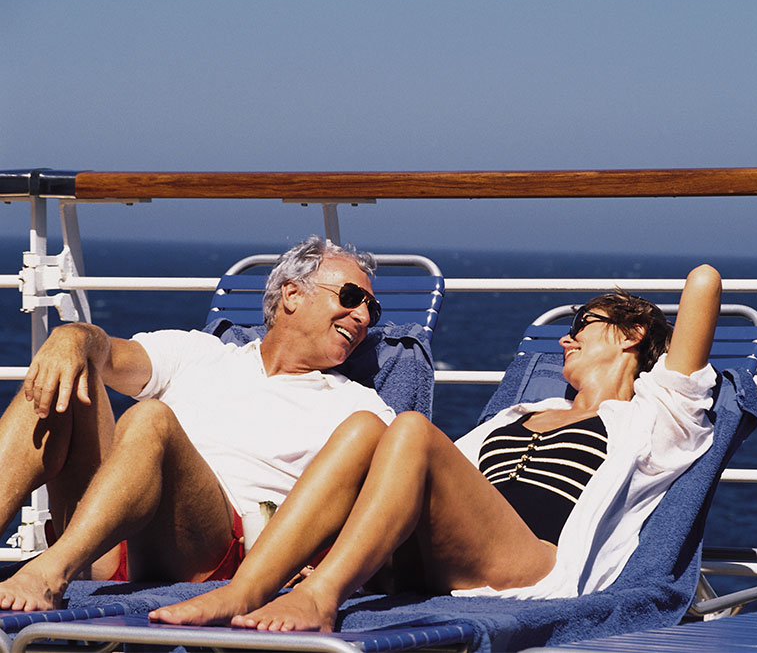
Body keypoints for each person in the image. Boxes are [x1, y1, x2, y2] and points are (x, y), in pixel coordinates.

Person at [150, 264, 722, 632]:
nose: (568, 335)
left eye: (586, 322)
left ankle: (322, 598)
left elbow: (703, 282)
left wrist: (636, 311)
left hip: (530, 565)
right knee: (363, 428)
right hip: (439, 556)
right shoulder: (516, 414)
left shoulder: (655, 417)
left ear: (632, 336)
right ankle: (248, 589)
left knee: (412, 432)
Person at [0, 235, 395, 611]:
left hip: (207, 555)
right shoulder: (201, 354)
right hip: (102, 542)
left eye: (371, 310)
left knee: (152, 419)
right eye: (351, 297)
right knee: (64, 377)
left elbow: (387, 504)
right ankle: (60, 558)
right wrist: (72, 337)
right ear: (292, 295)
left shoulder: (357, 408)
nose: (362, 316)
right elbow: (109, 357)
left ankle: (50, 572)